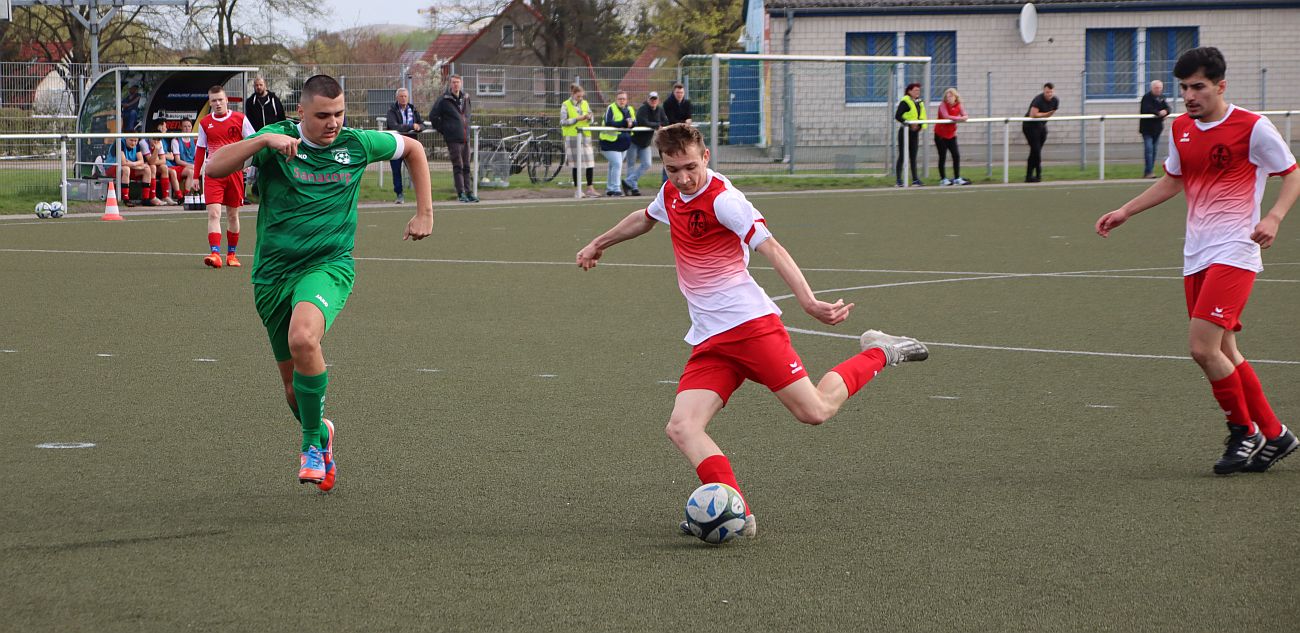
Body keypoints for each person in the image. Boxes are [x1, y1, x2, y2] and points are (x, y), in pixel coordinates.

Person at [576, 123, 929, 538]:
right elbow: (647, 216)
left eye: (691, 166)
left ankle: (882, 350)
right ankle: (735, 511)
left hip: (750, 328)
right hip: (710, 339)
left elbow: (772, 248)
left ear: (706, 156)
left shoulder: (726, 202)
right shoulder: (672, 191)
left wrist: (809, 301)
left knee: (814, 411)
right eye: (673, 169)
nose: (684, 178)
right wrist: (599, 242)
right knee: (682, 427)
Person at [203, 74, 434, 491]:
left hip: (328, 265)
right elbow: (212, 167)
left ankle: (310, 446)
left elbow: (414, 148)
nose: (334, 123)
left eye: (340, 114)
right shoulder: (277, 140)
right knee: (294, 392)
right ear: (301, 114)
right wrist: (261, 143)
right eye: (323, 115)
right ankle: (321, 432)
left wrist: (425, 212)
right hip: (272, 275)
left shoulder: (357, 144)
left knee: (304, 338)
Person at [1095, 47, 1300, 475]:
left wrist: (1275, 217)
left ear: (1220, 86)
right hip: (1196, 253)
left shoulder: (1252, 127)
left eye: (1198, 87)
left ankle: (1243, 431)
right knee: (1226, 349)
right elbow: (1173, 181)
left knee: (1201, 348)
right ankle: (1275, 434)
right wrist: (1125, 211)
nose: (1189, 95)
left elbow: (1292, 173)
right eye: (1184, 87)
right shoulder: (1182, 128)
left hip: (1236, 250)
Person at [189, 85, 255, 269]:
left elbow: (254, 142)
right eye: (213, 101)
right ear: (210, 103)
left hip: (234, 173)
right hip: (213, 173)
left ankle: (231, 255)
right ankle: (215, 253)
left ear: (227, 100)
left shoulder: (240, 119)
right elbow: (201, 149)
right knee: (214, 213)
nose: (217, 103)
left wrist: (250, 164)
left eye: (220, 100)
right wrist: (196, 176)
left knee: (233, 215)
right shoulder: (205, 123)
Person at [429, 74, 476, 203]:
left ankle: (469, 192)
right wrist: (445, 129)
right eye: (454, 82)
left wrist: (467, 128)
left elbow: (468, 115)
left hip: (465, 137)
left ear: (461, 84)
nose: (456, 85)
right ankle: (461, 193)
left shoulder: (466, 97)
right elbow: (433, 116)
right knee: (458, 165)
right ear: (450, 84)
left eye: (458, 82)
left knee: (467, 165)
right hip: (453, 138)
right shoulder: (444, 99)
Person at [560, 84, 600, 198]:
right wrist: (577, 119)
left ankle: (590, 188)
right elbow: (563, 122)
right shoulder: (565, 105)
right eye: (578, 96)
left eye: (582, 96)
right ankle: (578, 189)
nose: (580, 98)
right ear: (573, 94)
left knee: (590, 163)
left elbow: (591, 117)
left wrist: (589, 117)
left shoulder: (585, 103)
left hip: (585, 136)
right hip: (572, 137)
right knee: (576, 164)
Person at [385, 88, 424, 204]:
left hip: (411, 146)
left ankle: (422, 195)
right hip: (397, 144)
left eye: (405, 96)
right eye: (401, 96)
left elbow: (422, 124)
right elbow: (393, 126)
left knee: (416, 170)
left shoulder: (413, 109)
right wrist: (411, 127)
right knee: (396, 171)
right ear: (397, 97)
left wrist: (419, 127)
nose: (403, 98)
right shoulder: (392, 110)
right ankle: (399, 194)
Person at [625, 91, 666, 197]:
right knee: (631, 165)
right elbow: (643, 122)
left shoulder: (660, 109)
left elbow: (665, 121)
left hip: (646, 143)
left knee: (647, 164)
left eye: (655, 99)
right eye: (651, 99)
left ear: (658, 100)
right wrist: (657, 125)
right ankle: (633, 188)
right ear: (648, 99)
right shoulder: (643, 109)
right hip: (634, 141)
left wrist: (657, 124)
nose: (653, 101)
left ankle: (628, 182)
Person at [104, 133, 160, 207]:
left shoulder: (137, 145)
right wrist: (136, 165)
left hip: (128, 168)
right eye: (131, 140)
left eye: (135, 141)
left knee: (147, 169)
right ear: (126, 138)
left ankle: (145, 199)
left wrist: (133, 164)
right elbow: (123, 162)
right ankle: (125, 199)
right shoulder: (120, 143)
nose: (133, 143)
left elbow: (141, 161)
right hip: (112, 168)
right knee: (126, 169)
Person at [599, 91, 636, 197]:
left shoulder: (630, 109)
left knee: (613, 166)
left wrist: (631, 124)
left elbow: (635, 122)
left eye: (624, 99)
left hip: (623, 142)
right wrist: (624, 123)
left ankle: (610, 189)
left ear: (627, 100)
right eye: (620, 99)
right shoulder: (611, 108)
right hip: (609, 142)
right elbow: (609, 122)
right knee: (617, 164)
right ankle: (616, 188)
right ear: (616, 99)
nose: (622, 101)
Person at [1022, 82, 1058, 182]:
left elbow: (1051, 113)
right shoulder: (1038, 100)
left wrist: (1046, 116)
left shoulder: (1055, 101)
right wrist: (1046, 114)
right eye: (1047, 92)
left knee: (1035, 151)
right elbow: (1032, 114)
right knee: (1036, 150)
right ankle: (1037, 175)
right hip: (1029, 126)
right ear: (1044, 91)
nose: (1049, 94)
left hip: (1040, 126)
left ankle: (1029, 176)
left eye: (1051, 92)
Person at [935, 88, 970, 186]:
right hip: (940, 135)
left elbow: (965, 116)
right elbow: (946, 116)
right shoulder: (942, 105)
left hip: (951, 135)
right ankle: (943, 179)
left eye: (951, 96)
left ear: (955, 97)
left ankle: (957, 178)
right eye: (947, 96)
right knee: (942, 156)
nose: (948, 98)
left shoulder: (959, 105)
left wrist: (962, 118)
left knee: (956, 155)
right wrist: (960, 119)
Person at [894, 82, 926, 187]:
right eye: (915, 90)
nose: (917, 92)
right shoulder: (905, 101)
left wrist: (919, 126)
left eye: (918, 90)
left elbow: (922, 117)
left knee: (913, 156)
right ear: (909, 91)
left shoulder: (919, 102)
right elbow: (898, 116)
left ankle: (915, 179)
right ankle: (899, 180)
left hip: (914, 133)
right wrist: (908, 123)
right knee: (902, 156)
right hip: (905, 131)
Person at [662, 83, 693, 184]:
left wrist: (686, 121)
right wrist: (684, 122)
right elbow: (671, 120)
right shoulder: (668, 103)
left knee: (682, 157)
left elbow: (689, 117)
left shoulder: (687, 103)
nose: (679, 94)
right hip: (671, 135)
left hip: (682, 135)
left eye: (681, 92)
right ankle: (666, 181)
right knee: (669, 157)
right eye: (677, 92)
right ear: (674, 93)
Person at [1139, 79, 1171, 178]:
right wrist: (1158, 113)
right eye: (1156, 88)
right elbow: (1146, 109)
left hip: (1157, 129)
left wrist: (1166, 111)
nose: (1158, 90)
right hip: (1147, 129)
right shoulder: (1146, 98)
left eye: (1160, 88)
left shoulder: (1162, 97)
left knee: (1154, 150)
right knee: (1149, 149)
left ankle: (1149, 171)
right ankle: (1148, 171)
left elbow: (1168, 108)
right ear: (1152, 88)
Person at [148, 120, 179, 205]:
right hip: (146, 167)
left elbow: (163, 160)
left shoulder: (160, 141)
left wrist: (157, 159)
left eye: (158, 140)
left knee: (164, 167)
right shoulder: (144, 142)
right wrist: (157, 150)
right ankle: (152, 197)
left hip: (156, 165)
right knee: (153, 167)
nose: (156, 142)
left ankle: (167, 196)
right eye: (165, 126)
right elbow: (150, 162)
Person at [170, 118, 198, 191]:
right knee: (192, 171)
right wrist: (192, 166)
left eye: (189, 126)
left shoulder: (194, 140)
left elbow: (197, 157)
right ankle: (187, 195)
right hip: (180, 166)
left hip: (192, 166)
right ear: (181, 127)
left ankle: (200, 194)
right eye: (185, 126)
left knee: (205, 170)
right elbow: (178, 161)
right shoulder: (176, 140)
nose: (187, 128)